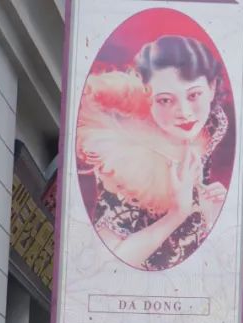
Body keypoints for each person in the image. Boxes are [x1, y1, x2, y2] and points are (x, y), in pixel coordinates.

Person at [76, 34, 232, 271]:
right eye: (166, 100)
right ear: (147, 97)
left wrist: (211, 215)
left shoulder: (208, 127)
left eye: (193, 95)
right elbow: (108, 266)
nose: (184, 112)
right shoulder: (127, 169)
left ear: (211, 88)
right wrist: (177, 214)